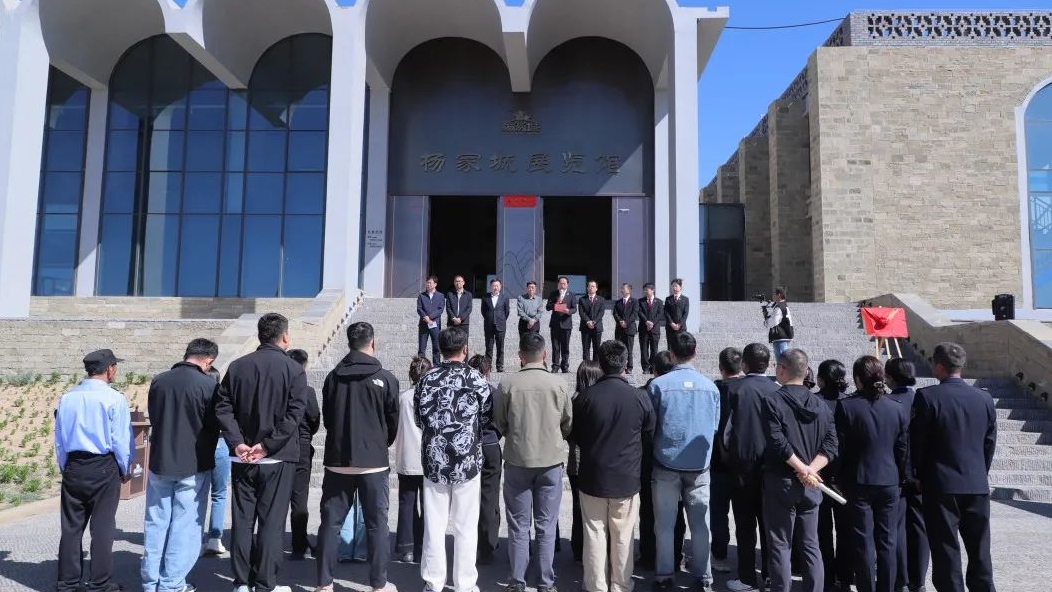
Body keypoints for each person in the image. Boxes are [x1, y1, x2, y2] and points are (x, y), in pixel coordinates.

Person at [214, 313, 311, 592]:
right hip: (278, 457)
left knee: (243, 520)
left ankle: (241, 582)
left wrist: (237, 442)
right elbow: (295, 415)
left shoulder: (238, 366)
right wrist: (268, 445)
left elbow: (223, 407)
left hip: (243, 456)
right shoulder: (294, 370)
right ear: (285, 337)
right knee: (272, 522)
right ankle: (265, 583)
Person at [315, 321, 399, 592]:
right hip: (373, 462)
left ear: (349, 343)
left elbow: (328, 418)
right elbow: (392, 421)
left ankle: (324, 584)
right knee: (377, 525)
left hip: (338, 460)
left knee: (331, 524)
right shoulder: (385, 378)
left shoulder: (333, 377)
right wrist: (380, 443)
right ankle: (378, 585)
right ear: (372, 342)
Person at [911, 343, 997, 592]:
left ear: (939, 366)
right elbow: (989, 443)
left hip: (941, 484)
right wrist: (980, 472)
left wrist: (918, 475)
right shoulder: (984, 398)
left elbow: (919, 443)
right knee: (980, 549)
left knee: (945, 548)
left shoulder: (927, 396)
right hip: (976, 482)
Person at [571, 340, 655, 592]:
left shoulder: (585, 397)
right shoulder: (639, 397)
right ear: (625, 363)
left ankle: (596, 586)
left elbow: (575, 435)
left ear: (600, 363)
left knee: (594, 534)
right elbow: (649, 434)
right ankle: (621, 585)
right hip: (626, 477)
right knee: (623, 535)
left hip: (592, 476)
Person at [415, 328, 492, 592]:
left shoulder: (427, 379)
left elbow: (418, 418)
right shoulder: (476, 379)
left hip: (434, 460)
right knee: (466, 526)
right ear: (465, 349)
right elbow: (486, 416)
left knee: (434, 525)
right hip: (467, 460)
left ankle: (433, 582)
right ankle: (465, 584)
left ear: (440, 349)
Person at [495, 332, 573, 592]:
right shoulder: (558, 383)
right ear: (545, 354)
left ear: (520, 355)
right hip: (550, 461)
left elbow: (500, 422)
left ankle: (517, 580)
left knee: (518, 524)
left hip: (518, 460)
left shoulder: (507, 384)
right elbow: (567, 423)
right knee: (546, 526)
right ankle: (545, 582)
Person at [141, 339, 220, 592]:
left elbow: (155, 417)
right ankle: (172, 584)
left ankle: (151, 581)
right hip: (193, 463)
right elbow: (214, 425)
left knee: (155, 523)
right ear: (208, 361)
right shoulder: (208, 385)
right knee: (184, 527)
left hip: (160, 461)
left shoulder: (159, 380)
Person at [54, 349, 134, 592]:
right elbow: (121, 440)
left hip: (74, 464)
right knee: (102, 527)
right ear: (110, 369)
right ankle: (99, 584)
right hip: (103, 465)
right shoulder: (114, 398)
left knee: (71, 527)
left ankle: (67, 584)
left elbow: (60, 439)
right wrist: (125, 467)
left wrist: (65, 466)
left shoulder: (67, 397)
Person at [648, 332, 720, 592]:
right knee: (701, 524)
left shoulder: (658, 386)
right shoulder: (711, 387)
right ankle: (704, 576)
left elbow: (651, 425)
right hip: (699, 465)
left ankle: (665, 575)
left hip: (665, 462)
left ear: (671, 354)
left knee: (664, 525)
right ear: (695, 353)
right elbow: (714, 427)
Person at [761, 348, 838, 592]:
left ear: (782, 369)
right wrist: (811, 470)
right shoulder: (821, 405)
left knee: (780, 544)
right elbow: (831, 446)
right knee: (810, 545)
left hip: (782, 481)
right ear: (805, 373)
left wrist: (802, 468)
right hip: (811, 484)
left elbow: (777, 441)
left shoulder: (772, 400)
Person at [836, 357, 908, 592]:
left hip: (858, 480)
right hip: (889, 479)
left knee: (863, 541)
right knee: (888, 541)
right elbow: (902, 448)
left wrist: (838, 477)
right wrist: (900, 475)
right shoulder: (896, 407)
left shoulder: (847, 407)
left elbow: (840, 448)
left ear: (857, 379)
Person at [723, 343, 780, 592]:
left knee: (745, 526)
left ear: (744, 365)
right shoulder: (778, 390)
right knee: (770, 526)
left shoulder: (735, 389)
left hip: (743, 468)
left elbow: (726, 433)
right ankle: (769, 575)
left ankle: (747, 578)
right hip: (772, 468)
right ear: (768, 364)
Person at [637, 351, 686, 573]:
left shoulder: (641, 393)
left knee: (648, 509)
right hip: (675, 458)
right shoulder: (681, 393)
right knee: (676, 509)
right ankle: (675, 556)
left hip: (647, 459)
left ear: (654, 370)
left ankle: (649, 555)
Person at [884, 358, 929, 592]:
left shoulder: (888, 402)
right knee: (920, 528)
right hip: (921, 475)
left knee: (897, 529)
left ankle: (900, 578)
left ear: (890, 378)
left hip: (896, 474)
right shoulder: (925, 400)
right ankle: (918, 580)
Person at [814, 360, 854, 592]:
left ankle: (827, 578)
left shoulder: (814, 402)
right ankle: (845, 577)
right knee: (846, 529)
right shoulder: (851, 402)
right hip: (846, 475)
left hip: (819, 473)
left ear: (820, 379)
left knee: (822, 531)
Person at [393, 356, 433, 563]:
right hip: (428, 459)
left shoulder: (403, 398)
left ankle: (406, 547)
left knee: (407, 502)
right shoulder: (433, 397)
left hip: (407, 456)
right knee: (428, 506)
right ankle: (423, 546)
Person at [711, 347, 745, 576]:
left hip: (717, 461)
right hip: (743, 463)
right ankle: (746, 557)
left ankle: (720, 555)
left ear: (720, 367)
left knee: (718, 513)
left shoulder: (714, 389)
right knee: (744, 514)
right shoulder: (748, 389)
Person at [467, 354, 503, 565]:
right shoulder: (493, 392)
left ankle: (470, 543)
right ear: (487, 371)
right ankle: (488, 545)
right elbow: (501, 421)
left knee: (468, 497)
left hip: (469, 446)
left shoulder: (465, 390)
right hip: (489, 445)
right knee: (489, 497)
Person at [567, 360, 604, 562]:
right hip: (592, 461)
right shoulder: (596, 401)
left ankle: (578, 547)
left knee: (578, 507)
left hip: (576, 461)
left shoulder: (574, 400)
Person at [287, 349, 321, 560]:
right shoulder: (307, 391)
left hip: (278, 448)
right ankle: (299, 545)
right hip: (301, 447)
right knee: (299, 498)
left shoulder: (278, 388)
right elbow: (315, 418)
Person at [203, 369, 230, 557]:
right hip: (221, 443)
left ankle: (196, 539)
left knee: (197, 494)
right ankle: (215, 538)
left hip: (201, 444)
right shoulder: (223, 397)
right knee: (219, 494)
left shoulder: (197, 393)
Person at [546, 276, 577, 373]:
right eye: (561, 283)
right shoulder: (553, 294)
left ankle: (565, 366)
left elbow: (574, 308)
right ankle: (555, 366)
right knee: (555, 346)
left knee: (565, 346)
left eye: (564, 283)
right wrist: (555, 304)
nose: (562, 285)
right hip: (555, 324)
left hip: (566, 324)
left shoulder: (571, 295)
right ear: (558, 284)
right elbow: (547, 307)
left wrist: (568, 311)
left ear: (567, 284)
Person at [481, 278, 511, 372]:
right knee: (489, 347)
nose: (495, 287)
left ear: (500, 287)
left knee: (500, 347)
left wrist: (501, 319)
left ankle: (500, 366)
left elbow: (507, 311)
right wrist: (489, 318)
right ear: (490, 287)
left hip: (500, 325)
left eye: (497, 285)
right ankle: (488, 366)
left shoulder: (505, 297)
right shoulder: (485, 297)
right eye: (494, 286)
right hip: (488, 325)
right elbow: (483, 311)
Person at [417, 275, 445, 365]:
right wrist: (425, 317)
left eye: (430, 283)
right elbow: (419, 308)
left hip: (435, 324)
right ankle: (421, 366)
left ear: (435, 284)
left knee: (436, 347)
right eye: (427, 283)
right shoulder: (421, 296)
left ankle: (436, 366)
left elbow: (440, 309)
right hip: (423, 324)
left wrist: (430, 317)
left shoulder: (440, 296)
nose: (428, 284)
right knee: (422, 348)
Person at [612, 283, 639, 373]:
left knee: (629, 349)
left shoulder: (635, 301)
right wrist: (620, 321)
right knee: (619, 349)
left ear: (629, 290)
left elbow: (634, 314)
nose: (622, 290)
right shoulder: (618, 302)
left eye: (623, 288)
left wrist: (626, 322)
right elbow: (615, 313)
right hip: (619, 329)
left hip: (629, 329)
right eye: (621, 288)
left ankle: (629, 367)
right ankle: (620, 367)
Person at [637, 283, 663, 373]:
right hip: (643, 328)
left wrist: (652, 323)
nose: (645, 291)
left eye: (647, 289)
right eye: (644, 290)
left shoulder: (659, 302)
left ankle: (653, 367)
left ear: (652, 290)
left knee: (654, 349)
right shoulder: (640, 301)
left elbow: (660, 314)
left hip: (655, 329)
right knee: (644, 348)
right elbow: (639, 312)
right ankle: (645, 367)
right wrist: (646, 322)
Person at [578, 280, 605, 362]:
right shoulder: (582, 299)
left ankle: (595, 366)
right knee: (585, 348)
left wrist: (594, 322)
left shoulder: (601, 299)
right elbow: (581, 312)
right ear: (587, 288)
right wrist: (588, 321)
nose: (591, 288)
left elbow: (601, 312)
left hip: (597, 327)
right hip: (585, 327)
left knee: (597, 348)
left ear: (596, 288)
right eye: (589, 286)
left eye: (593, 286)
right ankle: (586, 366)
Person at [764, 287, 794, 363]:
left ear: (779, 295)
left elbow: (773, 322)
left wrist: (766, 322)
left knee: (782, 361)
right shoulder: (783, 305)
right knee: (782, 361)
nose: (772, 295)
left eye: (774, 293)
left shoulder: (779, 307)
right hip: (783, 335)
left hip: (780, 336)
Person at [663, 278, 689, 350]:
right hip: (670, 327)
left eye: (676, 286)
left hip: (681, 327)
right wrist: (671, 323)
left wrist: (679, 324)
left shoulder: (685, 299)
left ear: (680, 287)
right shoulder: (668, 299)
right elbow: (666, 312)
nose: (674, 288)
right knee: (670, 347)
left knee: (681, 346)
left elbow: (685, 313)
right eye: (672, 286)